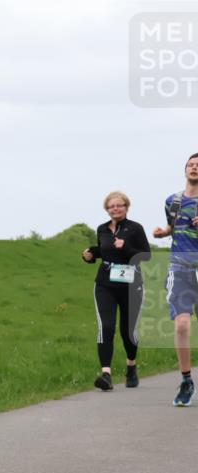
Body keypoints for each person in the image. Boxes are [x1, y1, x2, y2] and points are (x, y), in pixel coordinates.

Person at [82, 192, 150, 390]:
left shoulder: (135, 228)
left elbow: (145, 256)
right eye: (111, 206)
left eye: (119, 205)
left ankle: (131, 366)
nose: (116, 209)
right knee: (106, 327)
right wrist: (90, 255)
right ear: (107, 209)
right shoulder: (102, 229)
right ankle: (106, 375)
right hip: (105, 284)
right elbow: (105, 251)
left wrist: (126, 247)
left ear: (126, 207)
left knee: (128, 331)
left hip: (131, 286)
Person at [153, 152, 198, 407]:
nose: (194, 168)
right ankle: (186, 380)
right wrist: (164, 232)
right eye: (191, 165)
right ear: (185, 170)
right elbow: (173, 226)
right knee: (181, 325)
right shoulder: (173, 201)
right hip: (179, 268)